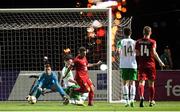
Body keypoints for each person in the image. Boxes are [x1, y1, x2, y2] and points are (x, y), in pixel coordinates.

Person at [135, 26, 165, 107]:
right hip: (151, 65)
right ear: (150, 33)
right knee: (151, 84)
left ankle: (141, 97)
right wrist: (160, 62)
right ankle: (151, 101)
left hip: (142, 65)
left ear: (143, 32)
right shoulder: (152, 42)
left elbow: (137, 53)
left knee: (141, 82)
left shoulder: (138, 42)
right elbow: (154, 53)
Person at [117, 27, 137, 107]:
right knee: (132, 83)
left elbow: (118, 51)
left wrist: (121, 56)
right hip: (133, 64)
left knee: (125, 83)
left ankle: (126, 101)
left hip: (124, 64)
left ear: (123, 33)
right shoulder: (135, 42)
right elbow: (138, 52)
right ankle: (132, 99)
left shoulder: (120, 42)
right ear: (130, 33)